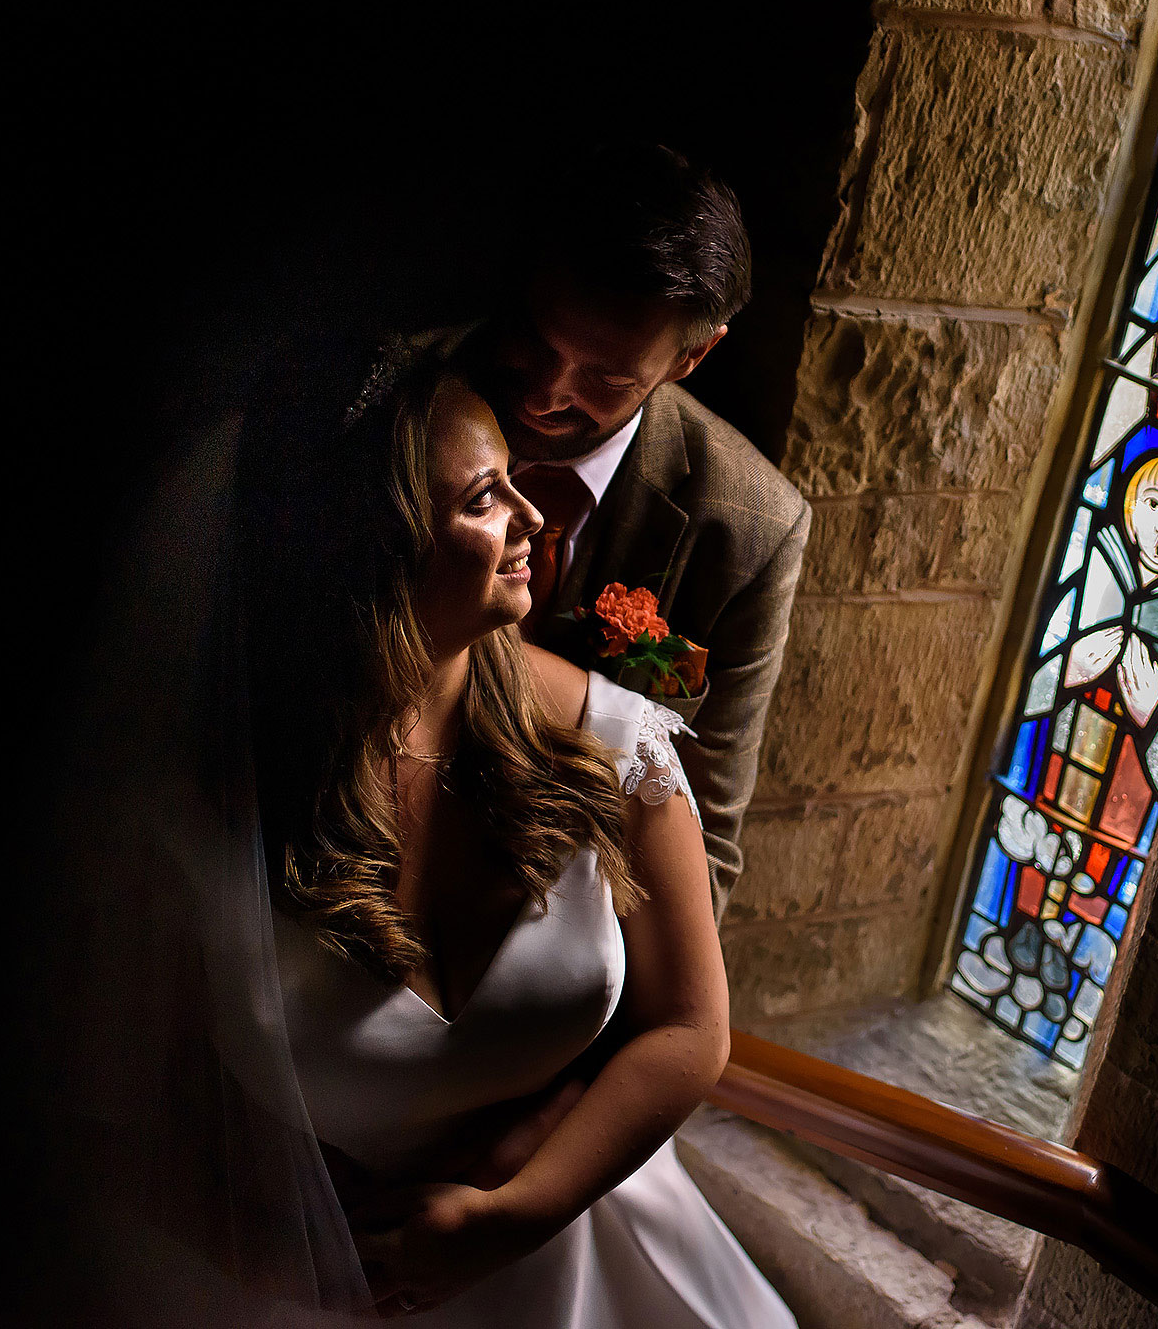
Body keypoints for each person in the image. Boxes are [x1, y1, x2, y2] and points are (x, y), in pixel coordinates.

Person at [227, 342, 797, 1325]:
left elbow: (687, 1028)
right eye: (485, 498)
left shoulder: (614, 739)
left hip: (559, 1248)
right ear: (376, 543)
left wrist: (513, 1214)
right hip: (291, 1267)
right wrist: (283, 1240)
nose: (536, 517)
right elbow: (115, 1079)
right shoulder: (219, 782)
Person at [417, 143, 810, 924]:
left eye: (605, 378)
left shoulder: (750, 530)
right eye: (538, 338)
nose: (543, 394)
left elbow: (708, 838)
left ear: (694, 355)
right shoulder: (401, 399)